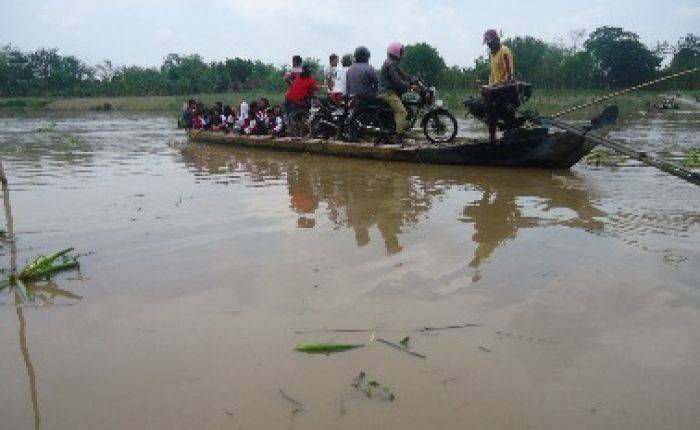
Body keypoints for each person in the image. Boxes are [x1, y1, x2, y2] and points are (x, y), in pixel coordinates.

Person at [483, 29, 515, 142]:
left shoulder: (504, 51)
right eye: (487, 44)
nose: (489, 45)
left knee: (495, 109)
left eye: (490, 43)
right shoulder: (492, 55)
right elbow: (492, 73)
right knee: (486, 110)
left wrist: (498, 85)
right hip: (495, 88)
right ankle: (492, 138)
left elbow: (509, 72)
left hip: (505, 88)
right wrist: (489, 86)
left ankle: (508, 135)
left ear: (496, 40)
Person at [378, 42, 412, 138]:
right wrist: (409, 86)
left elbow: (403, 74)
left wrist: (413, 79)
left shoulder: (392, 63)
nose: (402, 54)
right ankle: (398, 136)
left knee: (404, 108)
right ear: (397, 52)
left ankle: (401, 127)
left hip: (389, 92)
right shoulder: (391, 64)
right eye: (401, 52)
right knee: (402, 112)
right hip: (387, 93)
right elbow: (397, 81)